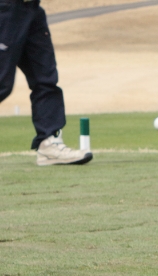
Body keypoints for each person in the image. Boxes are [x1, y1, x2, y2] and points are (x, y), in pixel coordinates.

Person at [0, 0, 92, 165]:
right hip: (5, 9)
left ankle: (49, 143)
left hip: (32, 9)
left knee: (45, 80)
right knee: (2, 84)